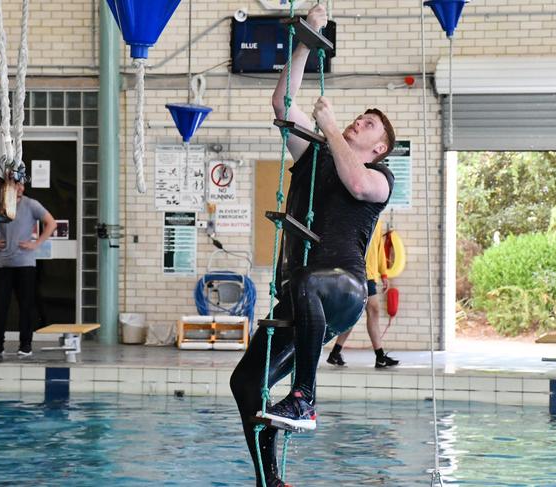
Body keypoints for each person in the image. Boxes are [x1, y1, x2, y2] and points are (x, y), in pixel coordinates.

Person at [229, 5, 395, 486]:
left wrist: (329, 125)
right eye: (358, 119)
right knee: (245, 385)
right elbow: (283, 104)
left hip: (342, 288)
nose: (357, 124)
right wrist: (306, 39)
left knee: (307, 281)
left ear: (379, 148)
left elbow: (355, 182)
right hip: (301, 298)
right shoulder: (316, 153)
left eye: (367, 125)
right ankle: (270, 479)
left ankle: (306, 395)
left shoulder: (379, 178)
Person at [0, 181, 56, 362]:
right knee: (0, 307)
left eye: (21, 185)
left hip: (25, 264)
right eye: (16, 184)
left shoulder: (31, 204)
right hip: (3, 264)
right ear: (8, 186)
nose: (20, 188)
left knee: (26, 307)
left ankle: (25, 346)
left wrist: (36, 244)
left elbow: (51, 223)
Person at [326, 218, 400, 368]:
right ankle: (380, 357)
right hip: (356, 272)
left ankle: (335, 353)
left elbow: (379, 250)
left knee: (355, 314)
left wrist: (384, 273)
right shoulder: (356, 217)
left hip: (370, 274)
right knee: (373, 310)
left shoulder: (377, 220)